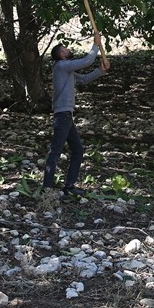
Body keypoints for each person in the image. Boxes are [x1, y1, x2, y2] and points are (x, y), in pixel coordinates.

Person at [43, 31, 110, 195]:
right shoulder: (61, 66)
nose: (68, 49)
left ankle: (69, 187)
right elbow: (87, 61)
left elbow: (84, 79)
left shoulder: (67, 71)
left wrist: (100, 71)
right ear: (62, 54)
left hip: (67, 116)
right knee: (55, 151)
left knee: (78, 150)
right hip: (62, 116)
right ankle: (47, 188)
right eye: (65, 49)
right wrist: (96, 44)